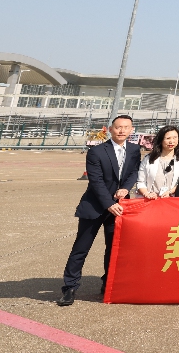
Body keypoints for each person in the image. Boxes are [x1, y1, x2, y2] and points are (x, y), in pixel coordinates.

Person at [59, 114, 141, 306]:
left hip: (120, 207)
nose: (122, 130)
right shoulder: (96, 152)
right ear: (111, 129)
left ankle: (108, 284)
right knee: (81, 248)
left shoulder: (136, 150)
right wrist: (108, 203)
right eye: (118, 127)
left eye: (126, 127)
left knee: (113, 249)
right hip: (95, 206)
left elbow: (134, 172)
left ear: (131, 130)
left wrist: (126, 188)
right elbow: (95, 181)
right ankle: (69, 288)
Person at [136, 125, 179, 199]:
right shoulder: (148, 158)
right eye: (168, 138)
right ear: (161, 140)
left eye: (175, 138)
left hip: (173, 200)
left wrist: (170, 192)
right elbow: (140, 182)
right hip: (152, 201)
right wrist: (147, 194)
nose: (172, 141)